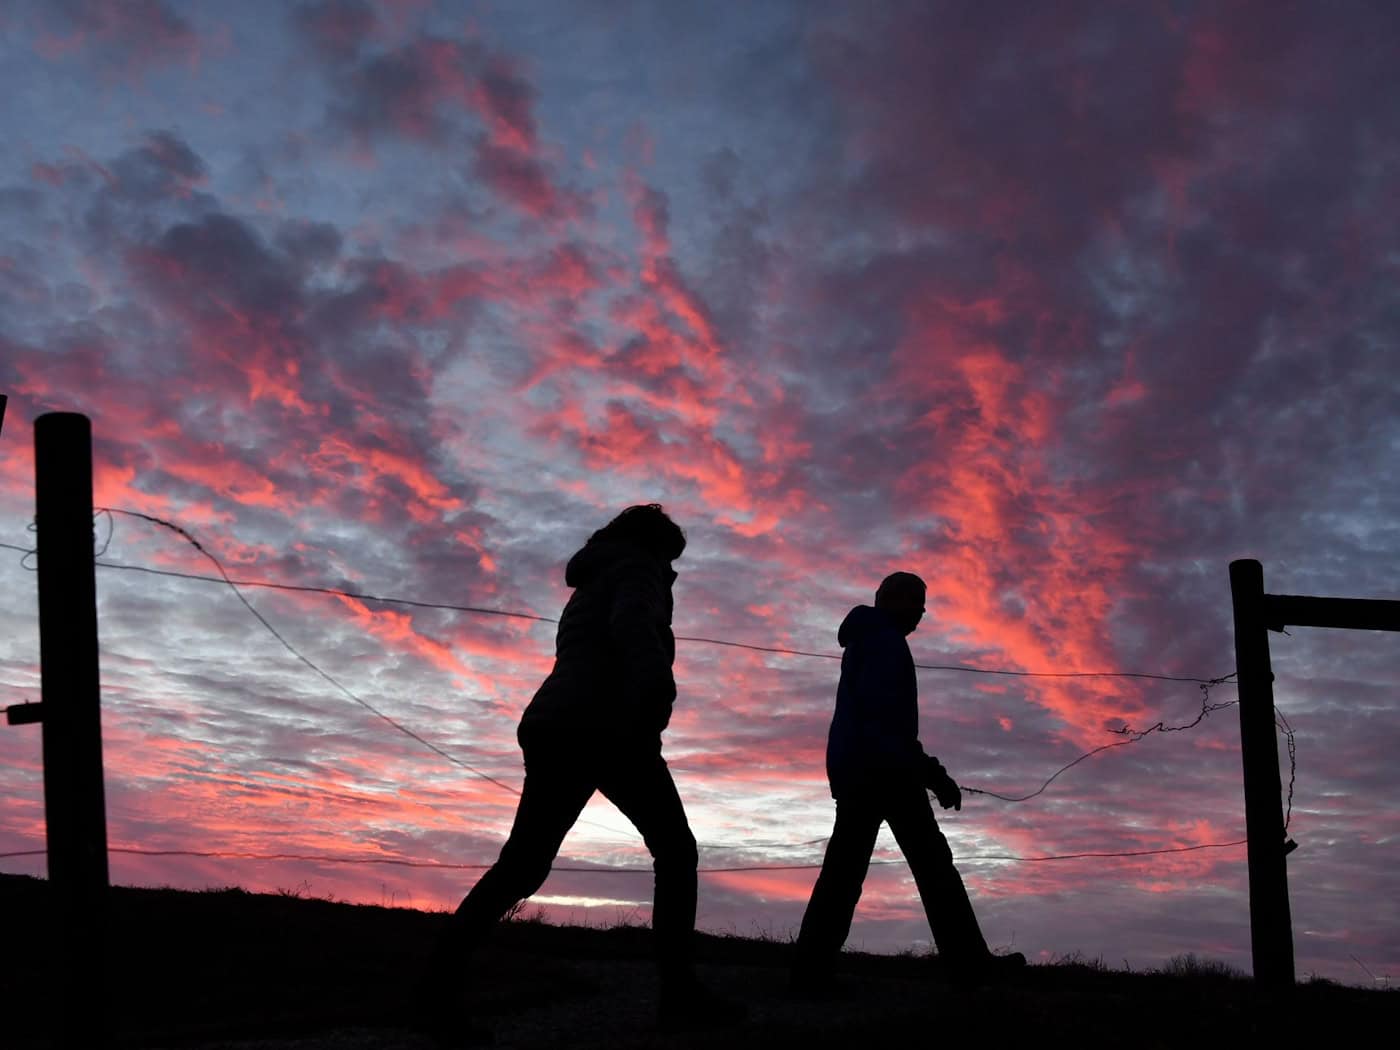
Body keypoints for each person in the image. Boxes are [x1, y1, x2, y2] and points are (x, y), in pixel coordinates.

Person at [423, 504, 736, 1039]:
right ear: (655, 545)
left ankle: (432, 991)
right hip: (605, 727)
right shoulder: (636, 567)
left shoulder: (592, 577)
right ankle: (679, 993)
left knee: (522, 866)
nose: (673, 570)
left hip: (559, 722)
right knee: (676, 850)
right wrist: (657, 688)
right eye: (671, 558)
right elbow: (633, 626)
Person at [792, 571, 1025, 990]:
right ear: (890, 600)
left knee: (847, 873)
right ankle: (972, 967)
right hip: (883, 771)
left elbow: (883, 723)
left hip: (862, 768)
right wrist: (934, 776)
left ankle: (809, 970)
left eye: (923, 602)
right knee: (933, 868)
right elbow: (889, 726)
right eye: (916, 601)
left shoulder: (869, 639)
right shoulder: (884, 644)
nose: (922, 611)